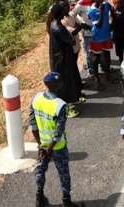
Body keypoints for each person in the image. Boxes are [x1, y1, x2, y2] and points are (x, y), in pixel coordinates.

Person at [31, 72, 85, 207]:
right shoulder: (60, 105)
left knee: (40, 171)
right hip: (58, 146)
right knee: (64, 173)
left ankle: (39, 198)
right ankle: (66, 201)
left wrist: (41, 146)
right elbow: (58, 131)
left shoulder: (36, 98)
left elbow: (33, 126)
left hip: (42, 145)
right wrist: (49, 149)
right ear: (56, 85)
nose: (62, 83)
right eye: (60, 81)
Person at [48, 3, 85, 114]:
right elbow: (71, 40)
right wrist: (72, 38)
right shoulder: (58, 28)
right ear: (60, 15)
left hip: (64, 56)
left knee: (72, 77)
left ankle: (74, 98)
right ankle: (66, 107)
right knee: (65, 82)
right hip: (62, 59)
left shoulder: (54, 25)